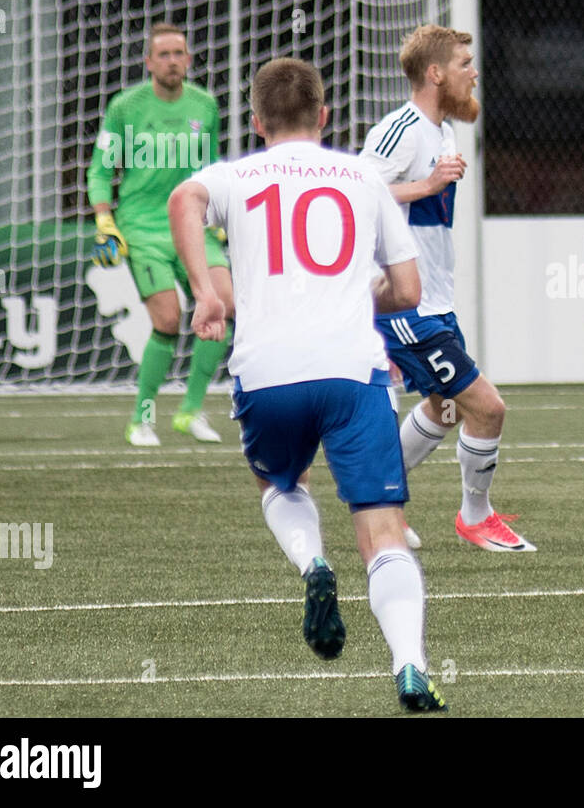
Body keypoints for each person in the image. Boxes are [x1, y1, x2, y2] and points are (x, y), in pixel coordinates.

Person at [167, 57, 446, 712]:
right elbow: (407, 289)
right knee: (383, 530)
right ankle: (410, 665)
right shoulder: (361, 175)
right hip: (353, 369)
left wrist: (207, 292)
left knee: (283, 484)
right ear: (325, 116)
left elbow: (184, 200)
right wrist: (355, 297)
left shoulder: (238, 175)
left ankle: (313, 564)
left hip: (267, 372)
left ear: (256, 121)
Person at [360, 24, 534, 553]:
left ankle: (377, 501)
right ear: (433, 73)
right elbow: (354, 196)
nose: (474, 71)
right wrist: (428, 184)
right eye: (463, 63)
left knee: (446, 408)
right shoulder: (403, 129)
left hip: (434, 298)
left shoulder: (441, 129)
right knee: (488, 407)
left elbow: (467, 107)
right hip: (403, 301)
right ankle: (474, 517)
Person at [87, 22, 233, 447]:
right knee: (168, 319)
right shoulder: (125, 106)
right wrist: (104, 219)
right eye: (164, 54)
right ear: (149, 62)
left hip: (193, 224)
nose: (172, 61)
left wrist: (218, 217)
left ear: (189, 59)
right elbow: (100, 169)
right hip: (143, 226)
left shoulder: (204, 106)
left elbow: (210, 167)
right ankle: (142, 417)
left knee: (224, 304)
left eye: (179, 53)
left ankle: (190, 411)